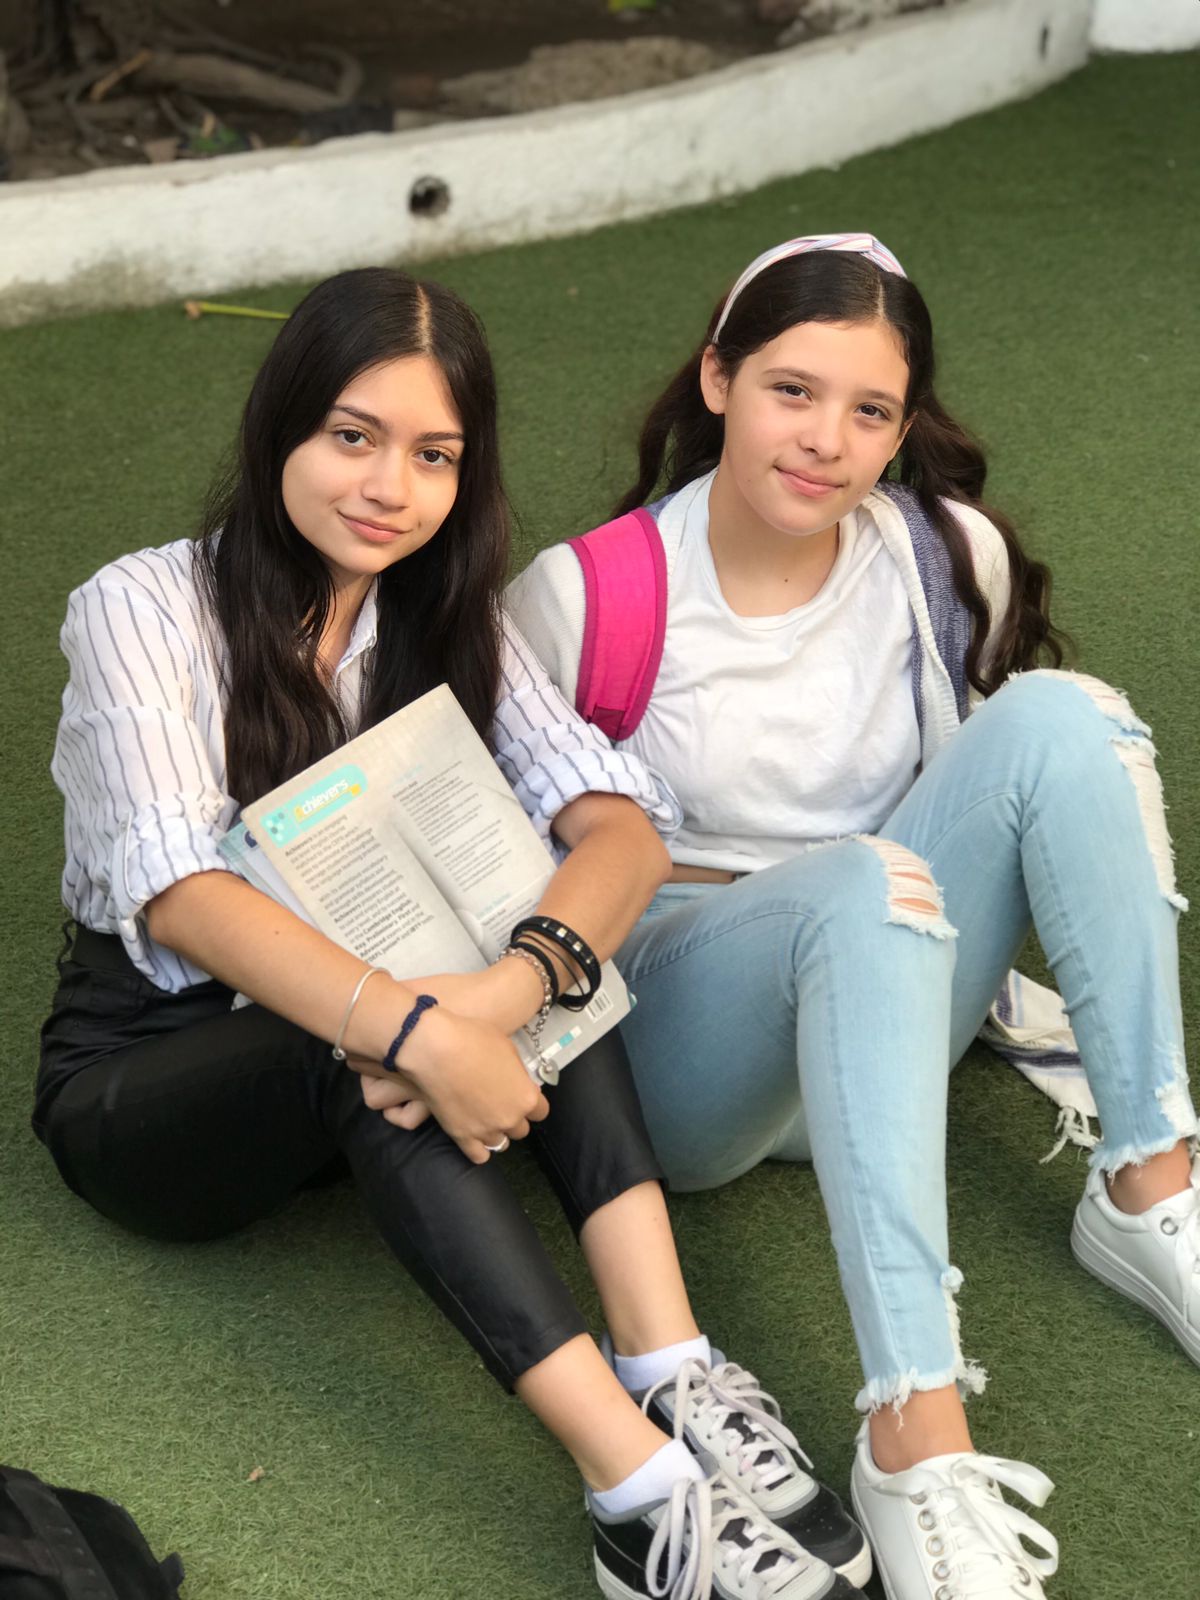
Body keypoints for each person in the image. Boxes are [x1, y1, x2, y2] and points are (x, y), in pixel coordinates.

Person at [34, 266, 874, 1600]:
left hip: (394, 1014)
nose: (390, 487)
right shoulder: (142, 605)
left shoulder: (444, 613)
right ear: (282, 426)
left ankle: (672, 1364)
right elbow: (179, 892)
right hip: (153, 1075)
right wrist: (425, 1031)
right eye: (353, 436)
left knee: (537, 924)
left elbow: (621, 832)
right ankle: (638, 1496)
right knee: (364, 1029)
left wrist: (504, 994)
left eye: (433, 455)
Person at [506, 233, 1199, 1600]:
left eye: (871, 410)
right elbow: (509, 868)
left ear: (904, 423)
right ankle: (914, 1443)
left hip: (892, 1013)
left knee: (1067, 717)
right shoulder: (586, 594)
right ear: (718, 378)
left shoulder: (944, 554)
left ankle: (1151, 1186)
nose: (828, 441)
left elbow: (995, 788)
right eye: (792, 390)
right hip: (688, 1062)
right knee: (857, 878)